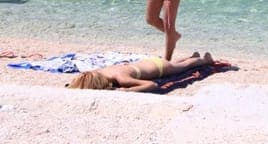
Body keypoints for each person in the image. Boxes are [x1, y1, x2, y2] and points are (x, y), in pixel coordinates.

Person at [67, 52, 214, 92]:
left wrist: (128, 91)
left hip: (161, 69)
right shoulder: (99, 71)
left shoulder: (122, 79)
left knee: (183, 67)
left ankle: (204, 60)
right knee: (174, 63)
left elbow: (151, 85)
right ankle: (191, 56)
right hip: (149, 62)